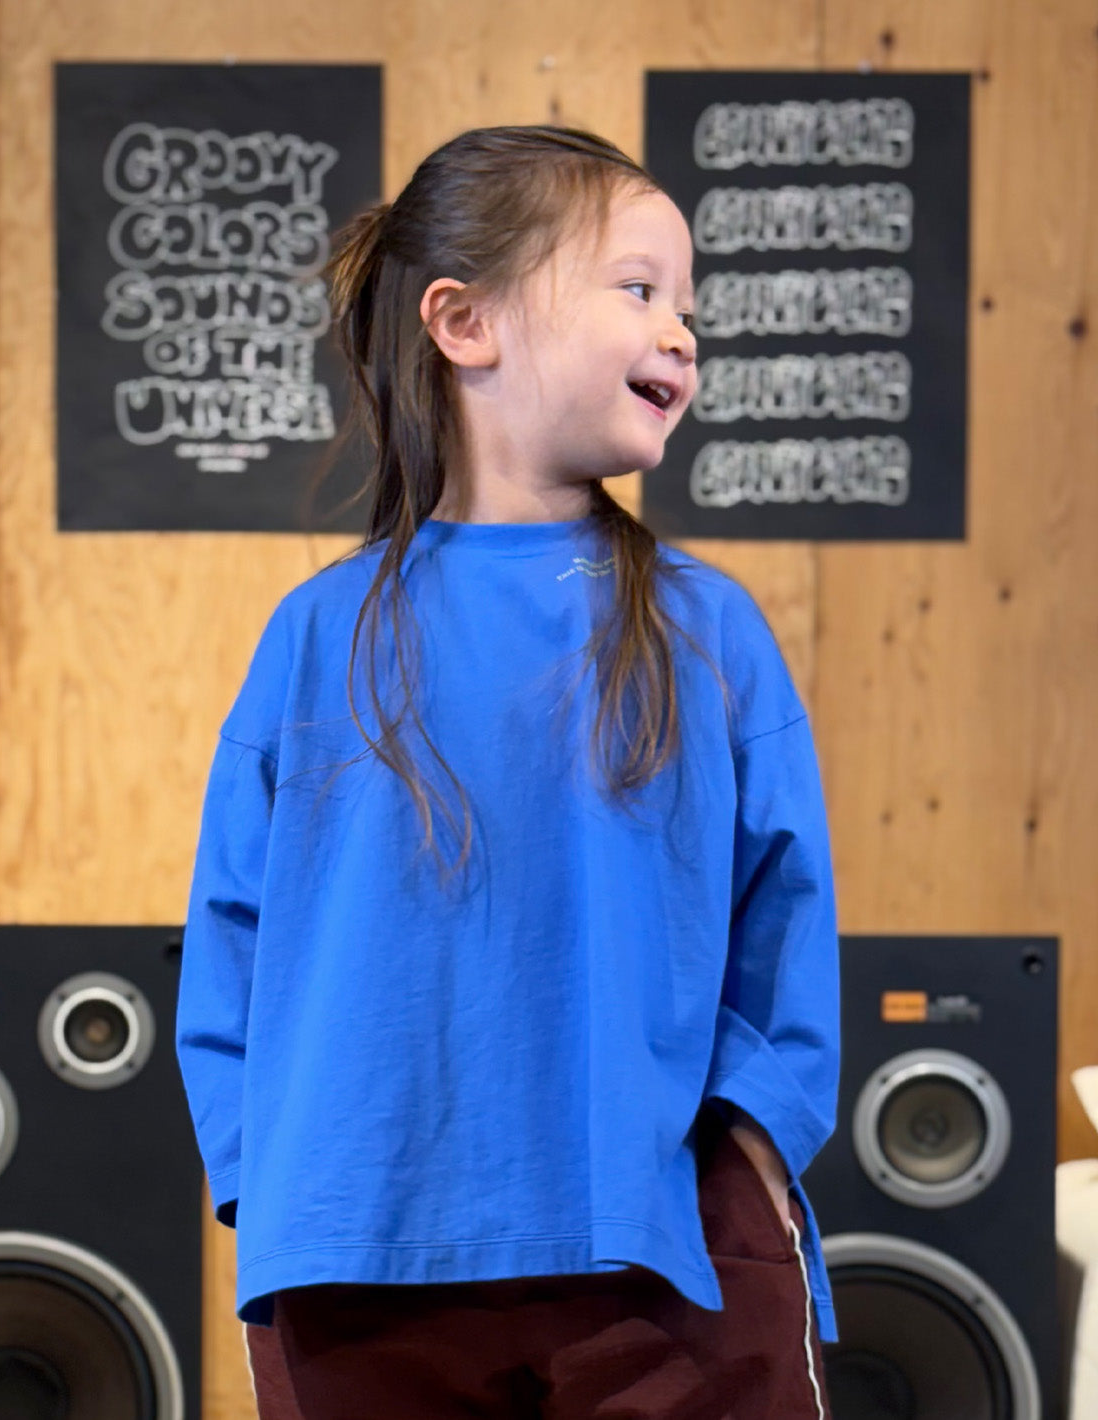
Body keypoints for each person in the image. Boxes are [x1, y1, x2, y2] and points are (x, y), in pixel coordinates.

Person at [176, 124, 840, 1420]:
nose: (681, 333)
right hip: (361, 1273)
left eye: (688, 306)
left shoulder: (710, 630)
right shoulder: (317, 636)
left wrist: (749, 1150)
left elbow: (786, 915)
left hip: (667, 1259)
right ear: (464, 322)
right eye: (638, 288)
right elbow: (231, 937)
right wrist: (269, 1178)